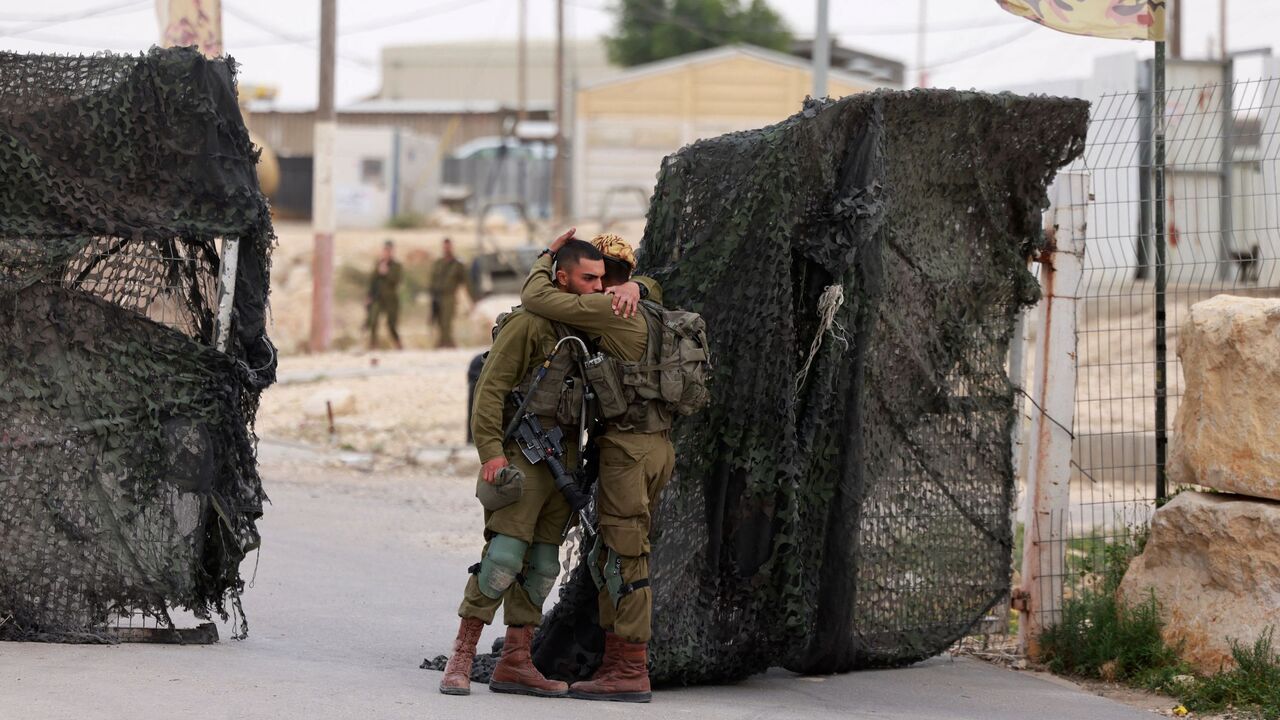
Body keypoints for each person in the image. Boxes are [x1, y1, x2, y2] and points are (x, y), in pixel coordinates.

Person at [438, 239, 609, 699]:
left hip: (567, 461)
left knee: (541, 565)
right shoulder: (530, 324)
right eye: (587, 278)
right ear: (562, 278)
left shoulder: (591, 327)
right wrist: (491, 453)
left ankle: (516, 661)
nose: (597, 286)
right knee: (505, 557)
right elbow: (489, 390)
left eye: (601, 279)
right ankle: (462, 655)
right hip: (524, 456)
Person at [518, 230, 676, 704]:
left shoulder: (608, 309)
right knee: (611, 552)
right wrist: (641, 286)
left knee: (626, 554)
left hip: (629, 451)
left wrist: (547, 255)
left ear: (608, 277)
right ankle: (616, 664)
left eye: (597, 275)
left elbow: (536, 296)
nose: (592, 283)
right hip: (652, 446)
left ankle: (630, 669)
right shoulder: (645, 305)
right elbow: (653, 285)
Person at [429, 237, 472, 348]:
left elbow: (466, 282)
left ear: (451, 247)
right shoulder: (438, 263)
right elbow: (432, 279)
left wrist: (471, 299)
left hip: (449, 296)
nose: (446, 249)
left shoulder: (457, 264)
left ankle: (446, 345)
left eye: (448, 246)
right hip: (437, 296)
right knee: (439, 322)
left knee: (446, 322)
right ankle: (445, 343)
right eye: (444, 247)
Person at [366, 240, 403, 350]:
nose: (387, 253)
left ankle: (398, 345)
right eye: (385, 250)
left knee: (391, 325)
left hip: (391, 299)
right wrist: (369, 296)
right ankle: (373, 345)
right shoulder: (378, 264)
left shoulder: (397, 266)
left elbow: (397, 281)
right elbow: (372, 281)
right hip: (378, 297)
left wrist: (387, 272)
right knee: (373, 321)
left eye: (389, 250)